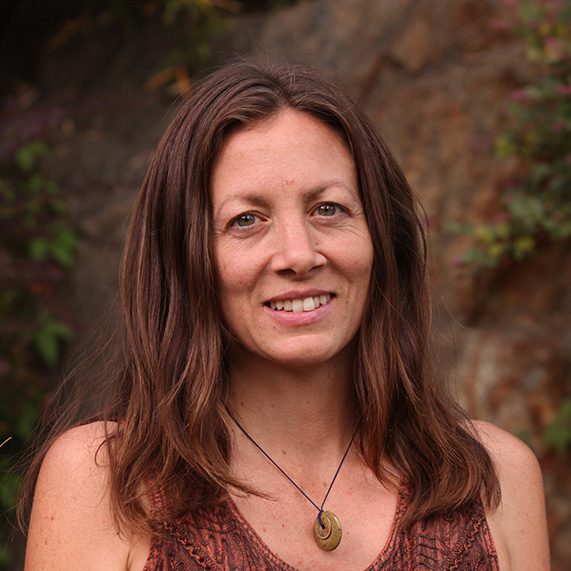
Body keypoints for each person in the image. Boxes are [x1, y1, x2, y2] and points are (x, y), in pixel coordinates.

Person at [21, 60, 549, 570]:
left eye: (329, 209)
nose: (299, 254)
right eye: (246, 220)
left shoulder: (493, 478)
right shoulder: (105, 481)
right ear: (185, 260)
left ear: (382, 240)